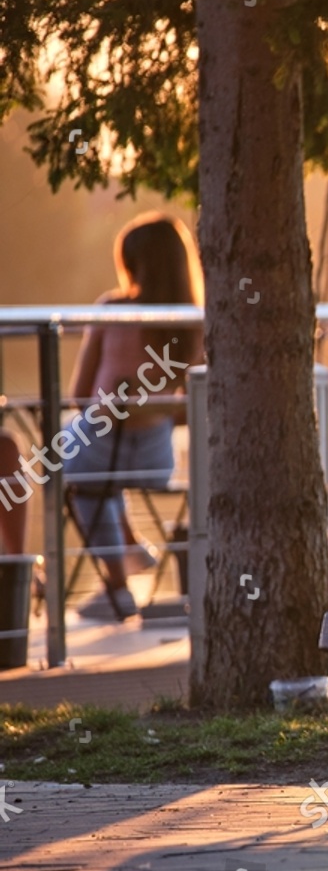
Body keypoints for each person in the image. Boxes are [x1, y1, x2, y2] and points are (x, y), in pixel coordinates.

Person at [64, 212, 204, 621]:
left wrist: (121, 408)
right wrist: (154, 410)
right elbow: (190, 407)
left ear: (134, 263)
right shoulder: (194, 322)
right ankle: (131, 550)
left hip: (100, 454)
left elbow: (78, 396)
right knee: (97, 465)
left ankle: (117, 584)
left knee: (77, 470)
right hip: (156, 461)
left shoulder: (112, 310)